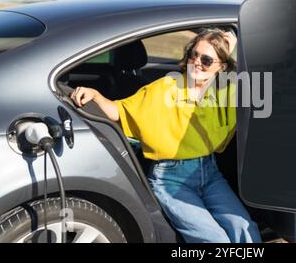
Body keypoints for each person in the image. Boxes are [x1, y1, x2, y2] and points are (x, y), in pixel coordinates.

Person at [70, 29, 261, 243]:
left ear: (221, 67)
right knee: (214, 240)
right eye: (193, 55)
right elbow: (120, 111)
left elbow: (250, 85)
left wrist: (230, 43)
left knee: (245, 228)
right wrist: (96, 95)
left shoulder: (223, 89)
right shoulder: (165, 88)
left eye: (206, 60)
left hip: (209, 173)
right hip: (170, 179)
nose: (196, 62)